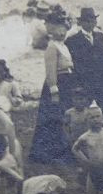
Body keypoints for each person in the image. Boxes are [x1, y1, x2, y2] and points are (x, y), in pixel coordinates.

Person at [28, 11, 78, 165]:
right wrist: (54, 91)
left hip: (67, 83)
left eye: (64, 29)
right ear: (52, 29)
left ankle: (63, 149)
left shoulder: (63, 46)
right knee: (53, 117)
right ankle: (48, 152)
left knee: (65, 115)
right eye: (58, 29)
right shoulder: (52, 47)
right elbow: (50, 71)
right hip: (57, 84)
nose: (62, 32)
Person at [67, 7, 103, 127]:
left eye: (93, 20)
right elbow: (75, 63)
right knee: (83, 112)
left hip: (102, 81)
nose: (91, 23)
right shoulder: (73, 40)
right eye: (87, 21)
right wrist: (79, 82)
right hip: (85, 81)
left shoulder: (99, 36)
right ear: (81, 23)